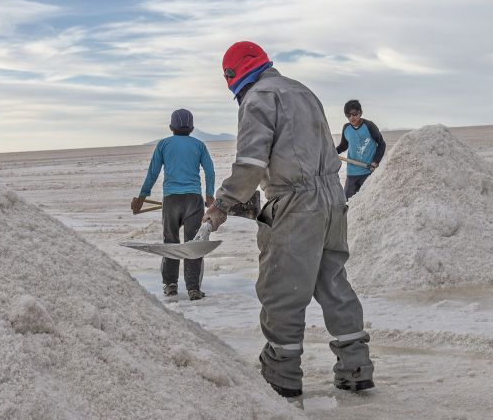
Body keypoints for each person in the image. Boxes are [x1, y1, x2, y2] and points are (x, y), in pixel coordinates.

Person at [202, 41, 374, 400]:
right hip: (332, 197)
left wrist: (222, 204)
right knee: (333, 281)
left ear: (233, 76)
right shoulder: (303, 90)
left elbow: (251, 163)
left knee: (282, 287)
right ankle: (355, 367)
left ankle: (282, 374)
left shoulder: (258, 98)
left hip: (297, 203)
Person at [131, 108, 215, 301]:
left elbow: (152, 173)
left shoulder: (163, 144)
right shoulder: (199, 145)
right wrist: (209, 196)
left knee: (171, 242)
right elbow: (209, 171)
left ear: (171, 127)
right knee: (193, 244)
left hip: (171, 200)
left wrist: (142, 197)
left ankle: (170, 286)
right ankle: (193, 288)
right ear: (192, 127)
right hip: (194, 200)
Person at [336, 100, 385, 200]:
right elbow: (343, 146)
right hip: (352, 173)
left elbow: (381, 144)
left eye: (354, 114)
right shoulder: (346, 128)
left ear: (360, 112)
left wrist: (375, 162)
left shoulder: (369, 125)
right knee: (348, 202)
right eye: (348, 115)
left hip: (368, 172)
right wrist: (331, 152)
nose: (352, 118)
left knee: (368, 200)